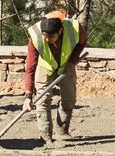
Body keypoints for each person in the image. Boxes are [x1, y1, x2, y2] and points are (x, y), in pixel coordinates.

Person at [22, 9, 86, 142]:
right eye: (45, 36)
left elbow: (82, 41)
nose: (47, 39)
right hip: (44, 66)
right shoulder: (35, 37)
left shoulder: (75, 29)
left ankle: (62, 131)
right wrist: (28, 95)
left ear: (60, 31)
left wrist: (72, 61)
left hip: (66, 64)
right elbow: (30, 66)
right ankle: (45, 135)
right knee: (42, 100)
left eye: (51, 37)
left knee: (69, 99)